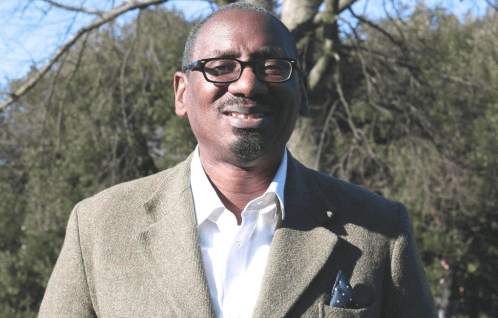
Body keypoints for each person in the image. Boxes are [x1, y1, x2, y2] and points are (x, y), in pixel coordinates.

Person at [39, 3, 437, 317]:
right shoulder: (98, 227)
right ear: (182, 92)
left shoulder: (380, 230)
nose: (248, 83)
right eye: (221, 67)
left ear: (300, 91)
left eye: (273, 67)